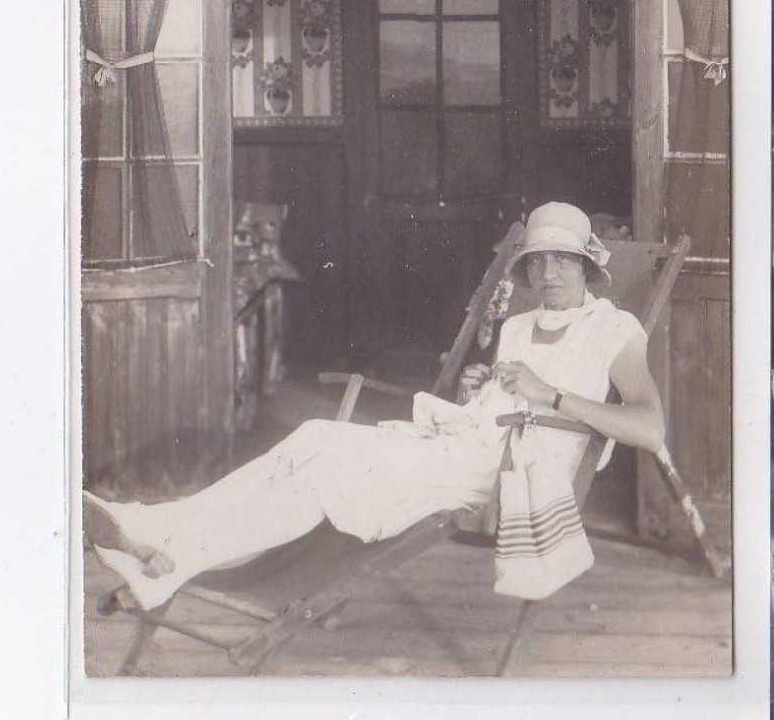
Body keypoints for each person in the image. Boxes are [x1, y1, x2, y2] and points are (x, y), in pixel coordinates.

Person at [84, 202, 664, 611]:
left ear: (588, 266)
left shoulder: (615, 330)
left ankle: (170, 553)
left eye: (561, 259)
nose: (547, 273)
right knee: (315, 434)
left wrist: (550, 393)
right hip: (466, 444)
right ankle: (151, 529)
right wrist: (483, 388)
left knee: (331, 472)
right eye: (537, 261)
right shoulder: (517, 325)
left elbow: (649, 426)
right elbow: (508, 393)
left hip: (518, 471)